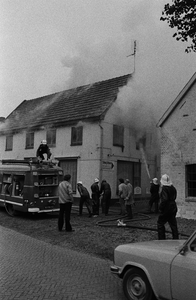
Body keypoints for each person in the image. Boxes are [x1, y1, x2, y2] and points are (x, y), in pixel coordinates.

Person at [157, 174, 179, 240]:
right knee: (173, 224)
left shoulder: (164, 189)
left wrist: (160, 208)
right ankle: (176, 238)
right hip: (173, 207)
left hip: (167, 208)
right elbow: (174, 197)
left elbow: (164, 200)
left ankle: (161, 239)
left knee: (160, 223)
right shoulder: (173, 188)